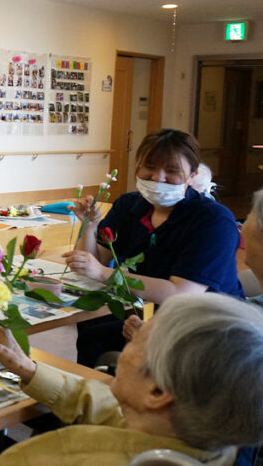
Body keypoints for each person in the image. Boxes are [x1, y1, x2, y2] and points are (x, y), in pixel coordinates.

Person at [0, 293, 263, 465]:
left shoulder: (76, 454)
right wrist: (27, 368)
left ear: (157, 390)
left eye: (139, 339)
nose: (129, 341)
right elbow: (112, 409)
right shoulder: (207, 438)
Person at [63, 129, 242, 366]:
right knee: (91, 328)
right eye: (149, 166)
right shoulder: (129, 206)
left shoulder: (213, 220)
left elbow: (181, 294)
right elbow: (93, 262)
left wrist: (104, 273)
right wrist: (89, 225)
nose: (158, 177)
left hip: (206, 327)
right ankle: (97, 395)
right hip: (146, 311)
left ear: (192, 175)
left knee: (98, 336)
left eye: (172, 170)